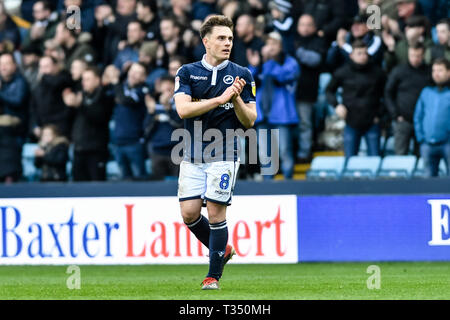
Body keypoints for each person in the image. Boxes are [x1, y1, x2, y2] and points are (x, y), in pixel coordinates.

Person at [173, 15, 256, 290]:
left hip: (225, 153)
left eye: (230, 38)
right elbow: (183, 110)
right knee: (189, 214)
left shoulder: (243, 74)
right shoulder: (187, 72)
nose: (227, 43)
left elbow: (250, 120)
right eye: (221, 38)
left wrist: (236, 100)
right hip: (192, 155)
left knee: (217, 213)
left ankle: (212, 276)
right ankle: (224, 249)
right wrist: (220, 99)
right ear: (205, 41)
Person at [248, 31, 300, 179]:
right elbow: (248, 81)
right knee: (264, 153)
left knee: (284, 150)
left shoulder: (289, 62)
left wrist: (269, 61)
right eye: (268, 44)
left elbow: (283, 76)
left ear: (282, 46)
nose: (270, 47)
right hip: (262, 115)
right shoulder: (260, 63)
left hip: (281, 115)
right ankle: (268, 184)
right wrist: (256, 65)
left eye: (274, 44)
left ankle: (288, 182)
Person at [326, 40, 386, 158]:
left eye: (365, 53)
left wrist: (380, 114)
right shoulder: (342, 72)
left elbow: (387, 94)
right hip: (351, 121)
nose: (363, 56)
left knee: (375, 160)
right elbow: (329, 91)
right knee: (349, 160)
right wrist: (336, 105)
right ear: (351, 55)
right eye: (359, 53)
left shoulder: (377, 73)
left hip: (372, 121)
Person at [63, 66, 114, 181]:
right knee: (78, 186)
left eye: (87, 79)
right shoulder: (80, 95)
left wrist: (80, 106)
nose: (83, 82)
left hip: (96, 150)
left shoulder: (105, 95)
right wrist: (69, 105)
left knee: (97, 186)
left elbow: (99, 117)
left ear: (97, 80)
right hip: (79, 148)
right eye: (83, 79)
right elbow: (70, 119)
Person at [384, 43, 431, 155]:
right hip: (403, 120)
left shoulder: (429, 72)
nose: (415, 58)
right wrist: (395, 114)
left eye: (418, 56)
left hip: (422, 121)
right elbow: (388, 93)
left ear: (423, 55)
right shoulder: (399, 71)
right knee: (400, 156)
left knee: (421, 156)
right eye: (412, 55)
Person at [294, 14, 327, 163]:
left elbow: (315, 60)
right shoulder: (293, 39)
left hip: (307, 91)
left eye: (308, 24)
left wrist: (297, 52)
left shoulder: (318, 41)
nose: (305, 28)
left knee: (305, 124)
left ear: (314, 27)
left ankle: (304, 153)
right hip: (288, 93)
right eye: (302, 24)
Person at [111, 62, 149, 180]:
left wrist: (116, 82)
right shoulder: (122, 87)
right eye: (132, 71)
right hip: (118, 142)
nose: (133, 75)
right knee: (124, 182)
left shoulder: (143, 90)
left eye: (138, 73)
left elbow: (125, 100)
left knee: (140, 181)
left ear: (144, 77)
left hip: (135, 142)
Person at [413, 58, 450, 177]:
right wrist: (421, 138)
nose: (436, 74)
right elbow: (418, 117)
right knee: (428, 180)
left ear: (448, 72)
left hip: (447, 144)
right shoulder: (426, 92)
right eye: (434, 70)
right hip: (427, 144)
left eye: (440, 70)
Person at [143, 75, 182, 180]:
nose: (166, 93)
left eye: (169, 89)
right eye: (163, 90)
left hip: (177, 151)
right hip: (157, 151)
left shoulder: (181, 105)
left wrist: (168, 108)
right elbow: (146, 130)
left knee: (178, 184)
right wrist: (151, 113)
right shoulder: (154, 106)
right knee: (158, 185)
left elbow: (180, 124)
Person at [0, 53, 29, 183]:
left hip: (15, 134)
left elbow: (17, 100)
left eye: (6, 63)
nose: (3, 67)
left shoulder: (20, 81)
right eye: (1, 64)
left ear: (14, 65)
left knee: (10, 168)